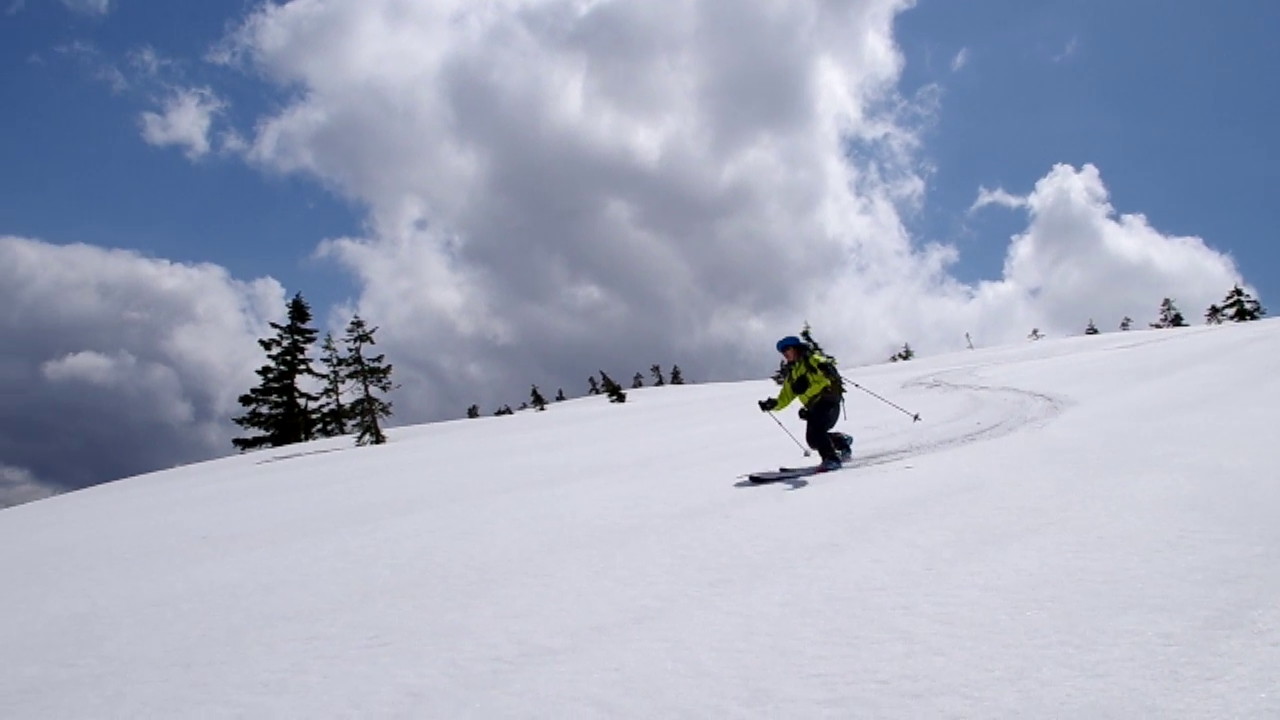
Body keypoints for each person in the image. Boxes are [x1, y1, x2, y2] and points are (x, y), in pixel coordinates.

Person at [758, 336, 853, 470]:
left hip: (828, 400)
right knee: (813, 441)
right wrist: (772, 404)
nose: (784, 353)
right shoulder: (792, 375)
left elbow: (822, 362)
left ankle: (831, 459)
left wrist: (824, 366)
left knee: (818, 431)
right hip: (814, 407)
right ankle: (840, 441)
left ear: (795, 349)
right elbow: (785, 397)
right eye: (782, 351)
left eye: (787, 349)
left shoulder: (810, 360)